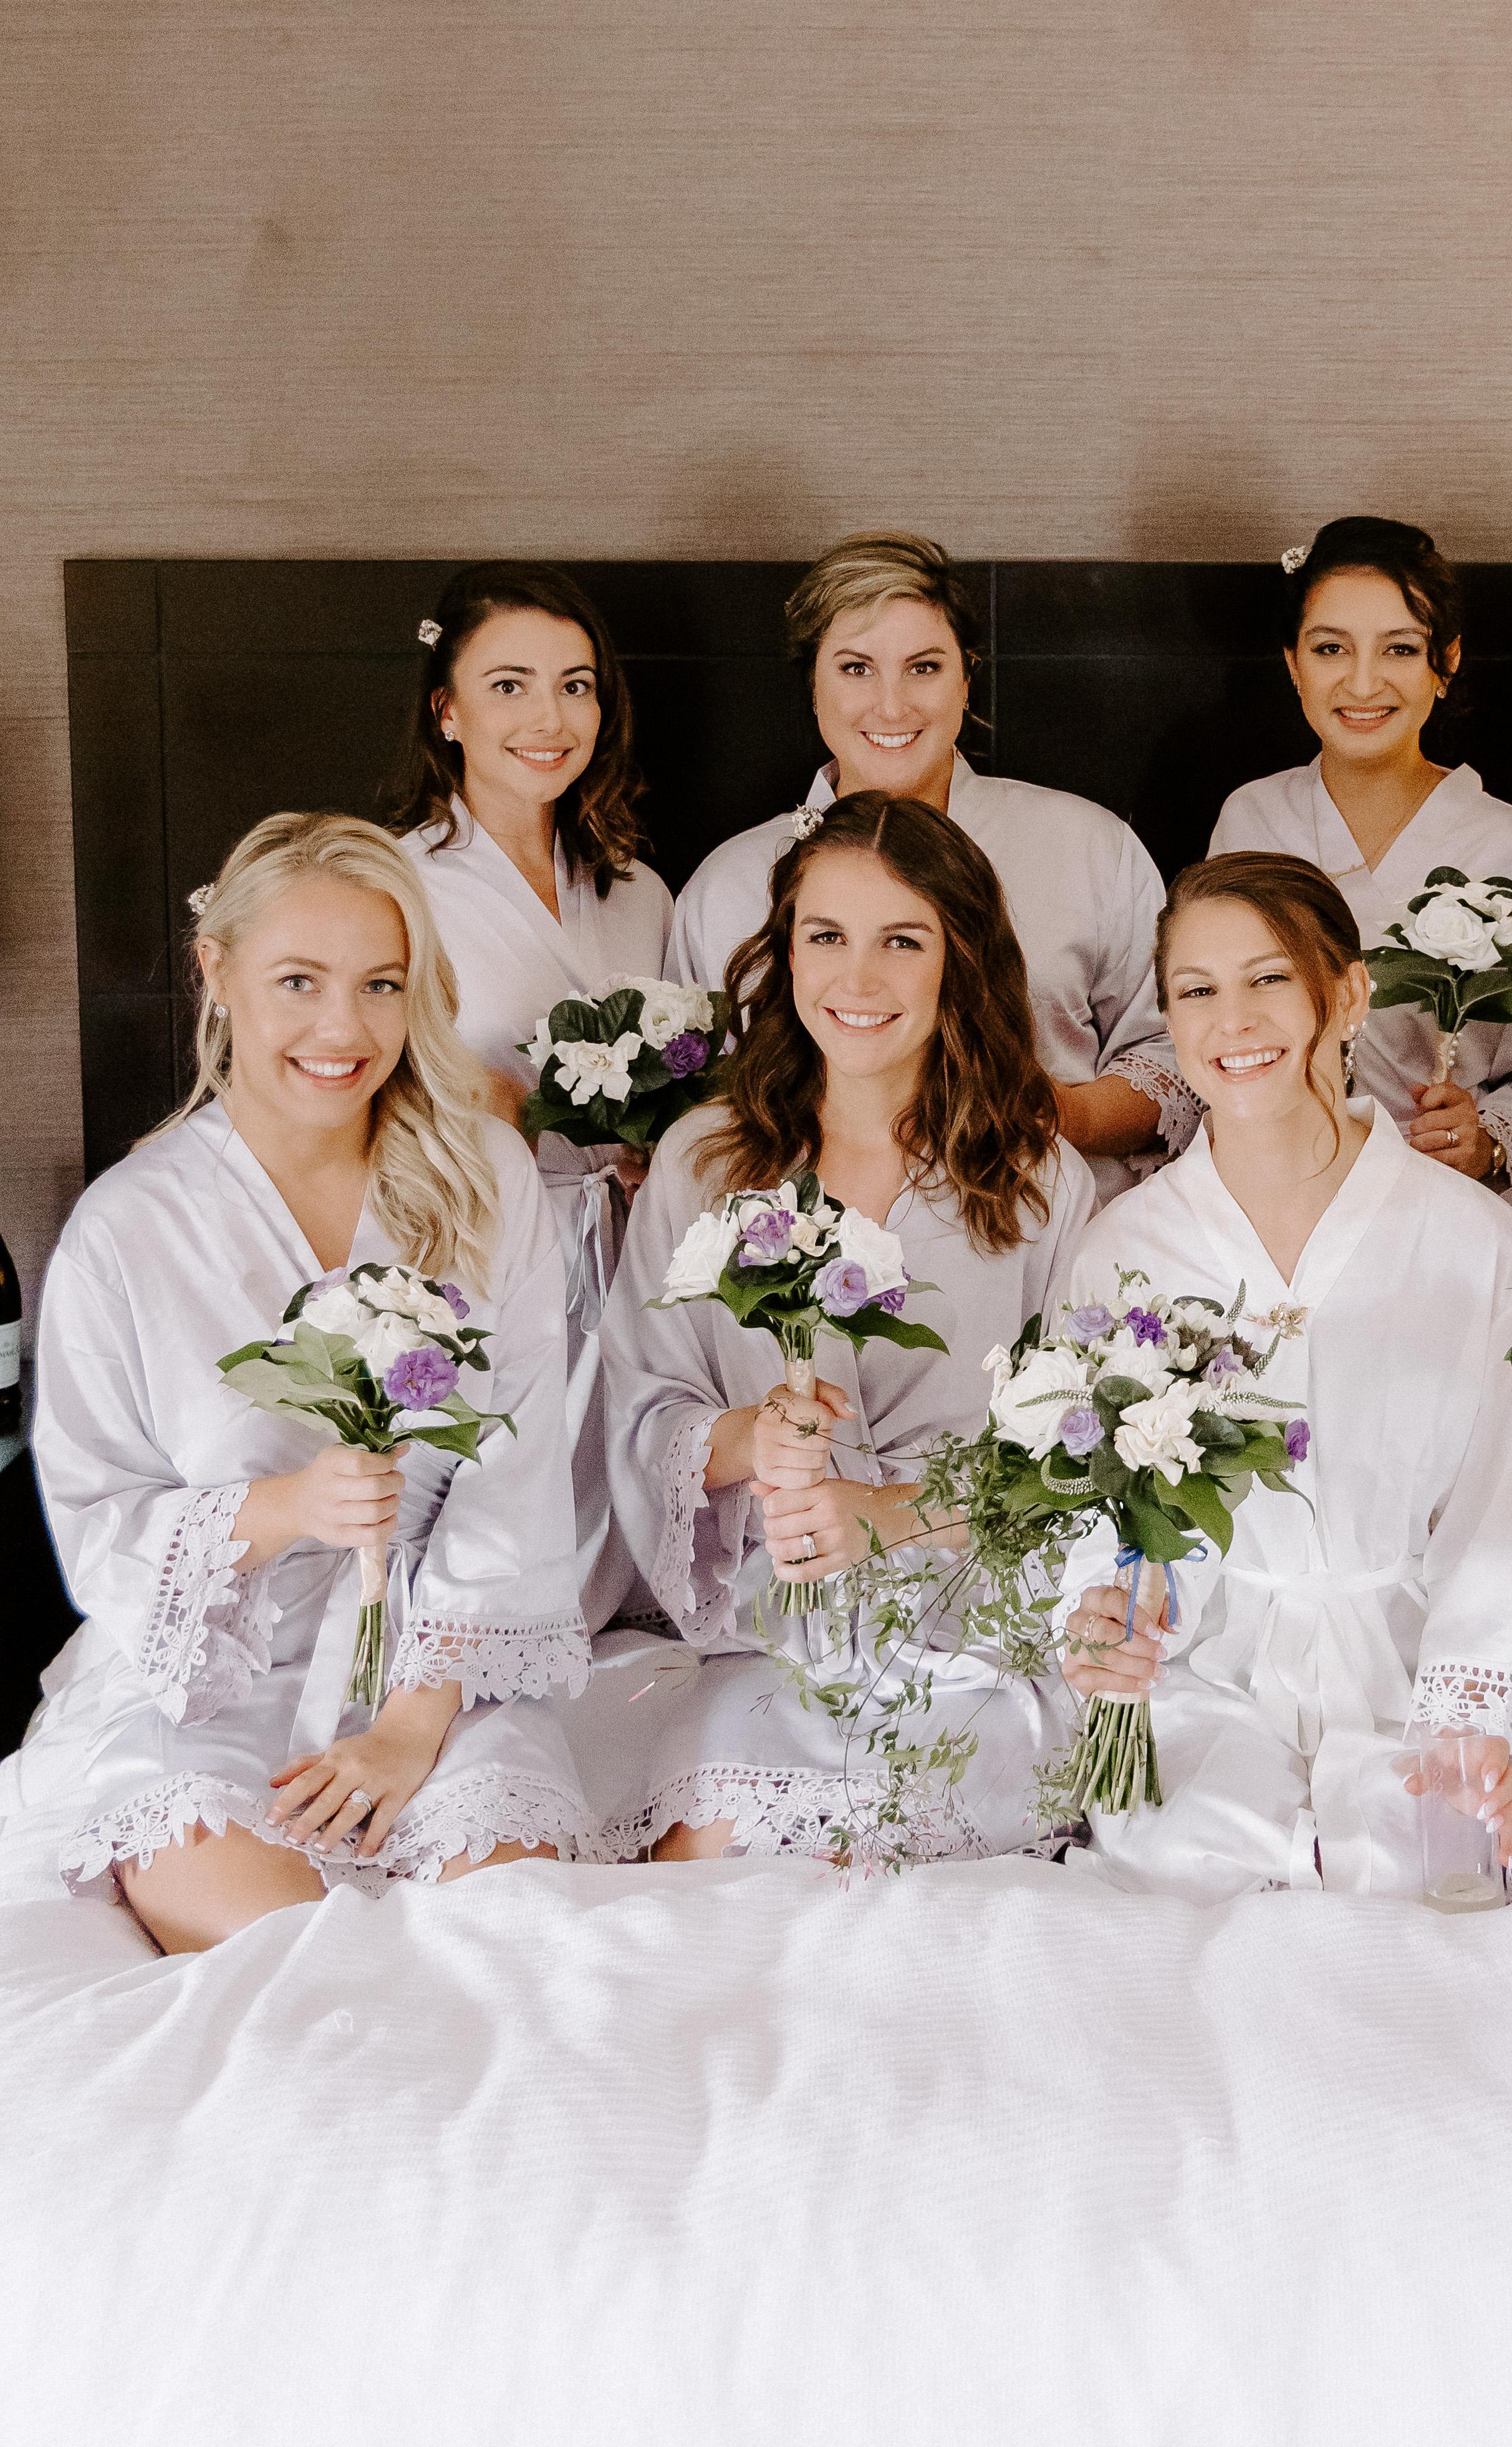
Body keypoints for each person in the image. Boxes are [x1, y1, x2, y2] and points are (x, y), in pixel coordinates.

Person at [6, 815, 591, 1952]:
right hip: (204, 1682)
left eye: (381, 984)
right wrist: (286, 1507)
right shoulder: (128, 1229)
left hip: (439, 1669)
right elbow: (97, 1519)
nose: (343, 1029)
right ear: (215, 972)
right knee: (293, 1958)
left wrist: (412, 1725)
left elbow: (515, 1467)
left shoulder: (485, 1178)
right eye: (298, 981)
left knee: (510, 1939)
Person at [592, 792, 1093, 1863]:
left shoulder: (1041, 1182)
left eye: (901, 941)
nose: (856, 980)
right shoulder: (702, 1160)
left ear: (959, 960)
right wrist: (748, 1441)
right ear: (785, 952)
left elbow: (1073, 1464)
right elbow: (639, 1403)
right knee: (703, 1856)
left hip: (975, 1640)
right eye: (825, 937)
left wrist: (888, 1514)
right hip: (767, 1640)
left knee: (870, 1862)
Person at [1054, 850, 1512, 1899]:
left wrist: (1466, 1721)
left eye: (1268, 978)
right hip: (1200, 1674)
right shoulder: (1123, 1249)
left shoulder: (1474, 1239)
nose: (1232, 1020)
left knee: (1418, 1870)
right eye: (1197, 991)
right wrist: (1104, 1626)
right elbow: (1089, 1508)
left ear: (1348, 994)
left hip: (1410, 1674)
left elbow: (1496, 1513)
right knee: (1194, 1863)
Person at [666, 531, 1196, 1194]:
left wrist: (1064, 1116)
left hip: (1057, 1228)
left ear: (966, 679)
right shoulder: (727, 886)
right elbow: (694, 1100)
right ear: (813, 686)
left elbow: (1179, 1052)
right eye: (856, 669)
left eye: (924, 668)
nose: (892, 706)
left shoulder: (1089, 847)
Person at [387, 561, 672, 1626]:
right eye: (509, 685)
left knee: (623, 1573)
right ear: (446, 709)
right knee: (482, 1560)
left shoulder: (638, 890)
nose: (549, 718)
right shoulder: (395, 884)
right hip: (473, 1246)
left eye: (575, 685)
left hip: (628, 1251)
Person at [1209, 518, 1512, 1219]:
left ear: (1446, 663)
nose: (1363, 683)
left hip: (1442, 1214)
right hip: (1272, 1203)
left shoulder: (1504, 843)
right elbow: (1203, 1027)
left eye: (1400, 648)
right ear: (1293, 663)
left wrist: (1487, 1141)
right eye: (1331, 648)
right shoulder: (1251, 822)